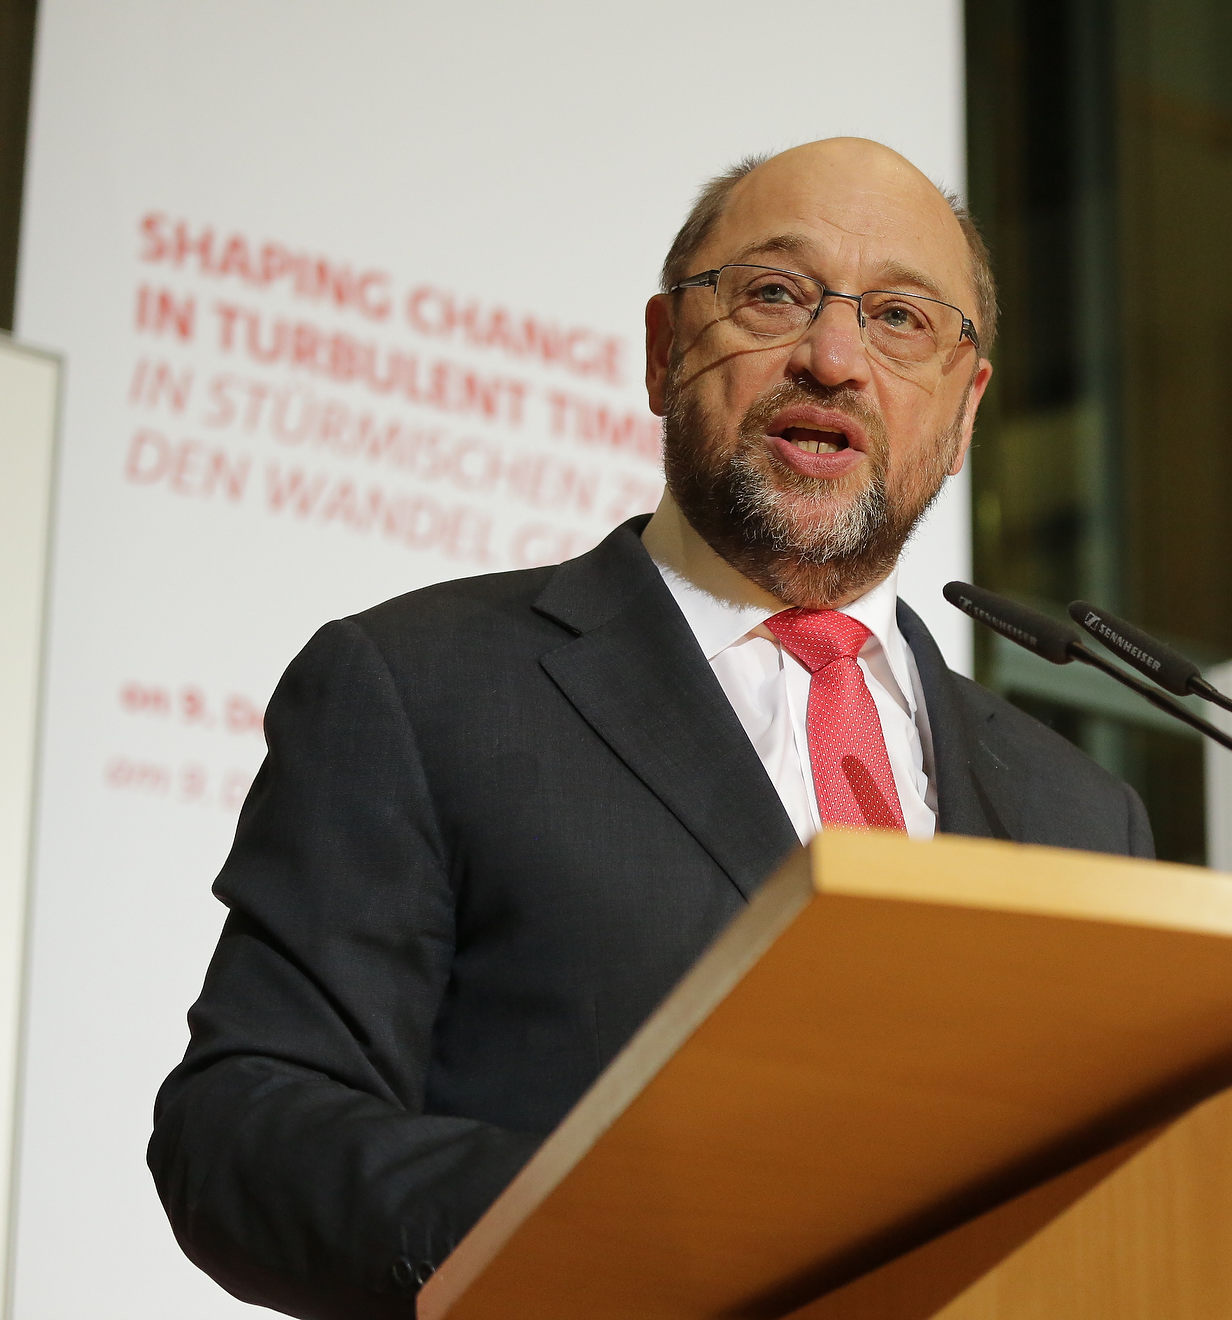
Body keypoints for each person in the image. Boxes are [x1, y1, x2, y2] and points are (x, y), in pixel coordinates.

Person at [147, 138, 1153, 1320]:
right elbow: (243, 1127)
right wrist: (598, 1226)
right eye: (774, 295)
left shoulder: (1085, 815)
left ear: (966, 404)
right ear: (665, 349)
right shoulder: (421, 687)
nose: (833, 358)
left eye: (901, 319)